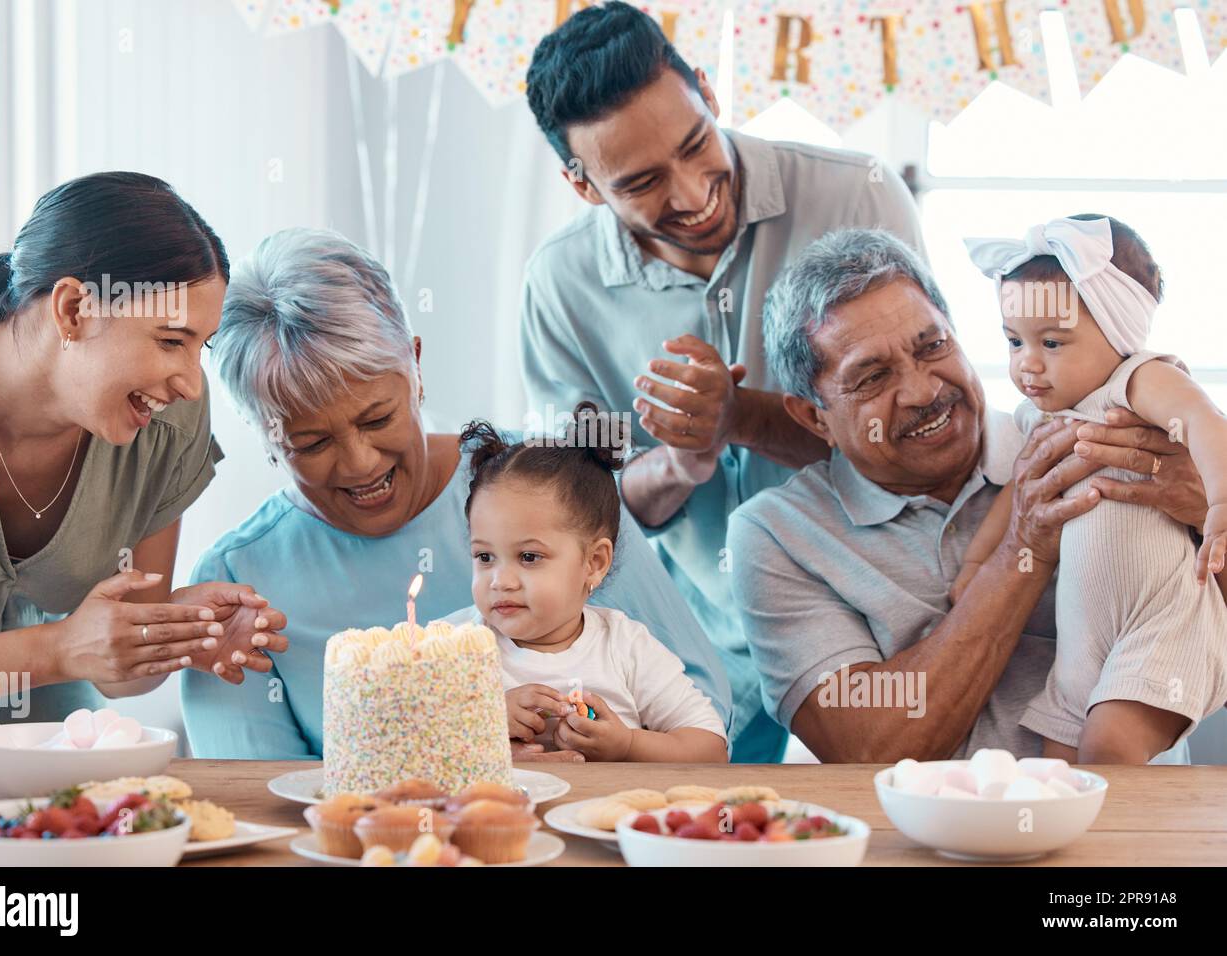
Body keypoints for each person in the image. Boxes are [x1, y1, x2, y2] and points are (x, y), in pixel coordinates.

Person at [519, 1, 926, 761]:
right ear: (583, 187)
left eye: (695, 143)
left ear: (707, 89)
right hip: (693, 635)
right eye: (640, 182)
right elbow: (574, 514)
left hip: (885, 616)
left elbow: (923, 439)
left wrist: (738, 415)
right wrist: (677, 464)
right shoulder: (560, 286)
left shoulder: (858, 198)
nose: (692, 193)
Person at [180, 227, 731, 760]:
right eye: (311, 441)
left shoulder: (549, 481)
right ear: (264, 437)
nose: (360, 463)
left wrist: (594, 758)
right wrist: (474, 761)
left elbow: (700, 707)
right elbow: (254, 790)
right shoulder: (233, 584)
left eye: (378, 418)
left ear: (415, 364)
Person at [727, 228, 1224, 761]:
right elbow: (865, 747)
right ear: (813, 417)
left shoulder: (1107, 439)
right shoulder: (774, 535)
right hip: (922, 838)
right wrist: (1020, 549)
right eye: (872, 377)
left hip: (1132, 824)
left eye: (933, 346)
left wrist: (1203, 509)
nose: (924, 391)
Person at [0, 172, 287, 753]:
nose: (192, 384)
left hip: (56, 775)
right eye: (171, 340)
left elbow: (123, 680)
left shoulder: (166, 426)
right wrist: (59, 648)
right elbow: (73, 649)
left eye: (203, 346)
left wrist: (175, 633)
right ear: (73, 309)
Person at [956, 215, 1227, 763]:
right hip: (1083, 640)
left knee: (1109, 747)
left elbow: (1204, 419)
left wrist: (1220, 499)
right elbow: (1021, 493)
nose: (1027, 363)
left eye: (1052, 342)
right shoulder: (1038, 416)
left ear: (1119, 333)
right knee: (1057, 759)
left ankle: (1133, 850)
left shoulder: (1138, 380)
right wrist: (976, 566)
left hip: (1160, 622)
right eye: (1013, 341)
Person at [452, 405, 729, 763]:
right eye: (485, 557)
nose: (500, 582)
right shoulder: (455, 648)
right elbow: (396, 744)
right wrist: (482, 723)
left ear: (594, 563)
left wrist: (628, 745)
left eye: (529, 557)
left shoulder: (626, 648)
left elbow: (710, 751)